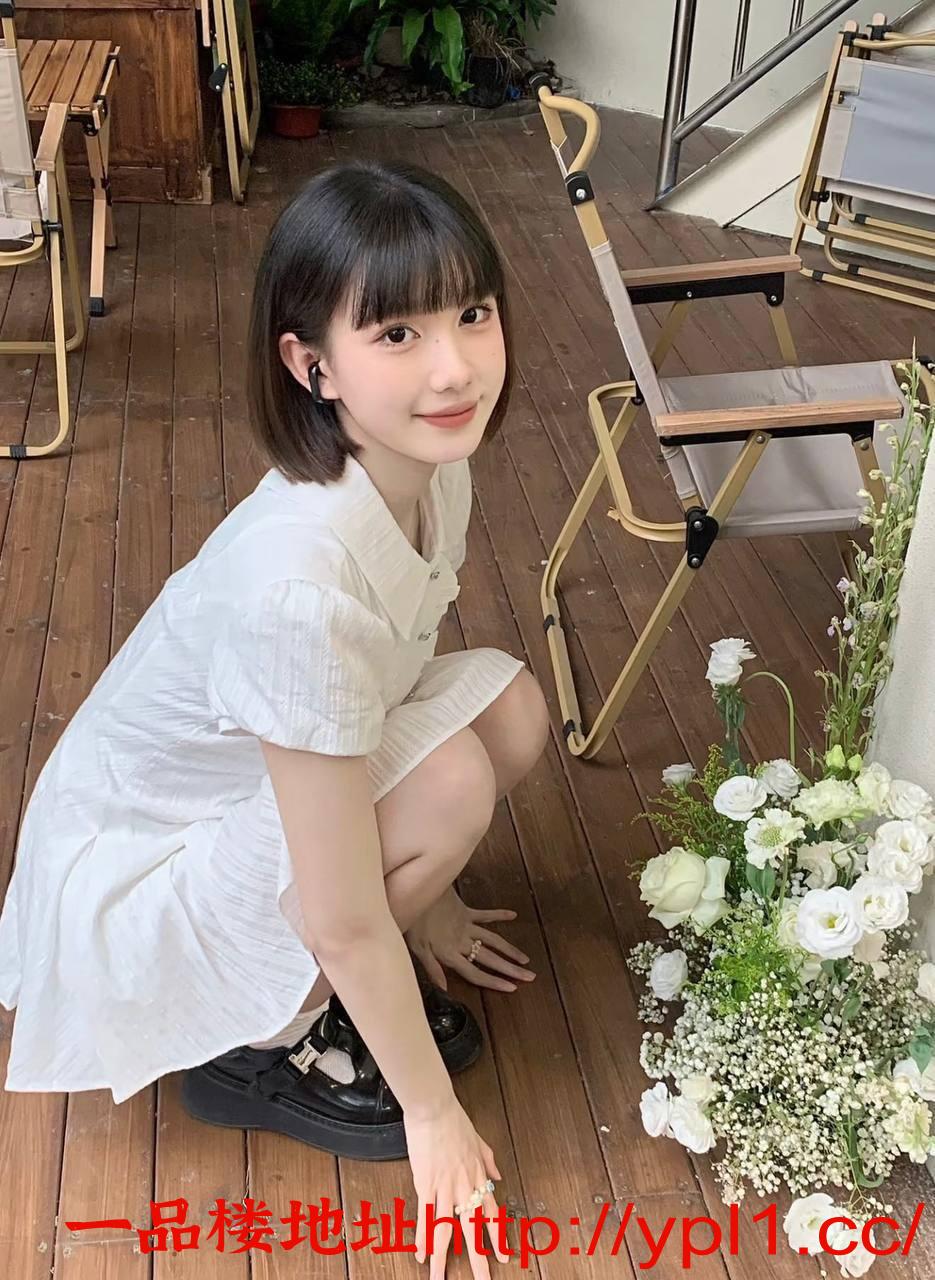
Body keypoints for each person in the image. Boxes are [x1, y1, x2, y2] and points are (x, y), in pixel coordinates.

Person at [0, 160, 551, 1277]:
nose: (454, 367)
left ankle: (340, 975)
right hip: (137, 889)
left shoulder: (425, 466)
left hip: (231, 812)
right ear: (311, 365)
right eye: (396, 334)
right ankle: (259, 1043)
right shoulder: (294, 581)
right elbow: (342, 914)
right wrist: (433, 1113)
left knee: (505, 707)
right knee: (450, 779)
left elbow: (382, 691)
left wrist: (433, 902)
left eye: (472, 313)